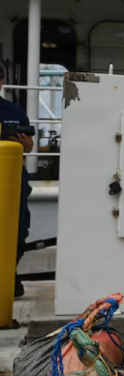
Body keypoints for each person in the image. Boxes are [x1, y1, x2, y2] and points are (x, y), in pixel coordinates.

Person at [0, 68, 34, 298]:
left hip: (13, 180)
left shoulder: (14, 110)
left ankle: (9, 273)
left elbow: (29, 147)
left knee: (20, 227)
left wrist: (21, 140)